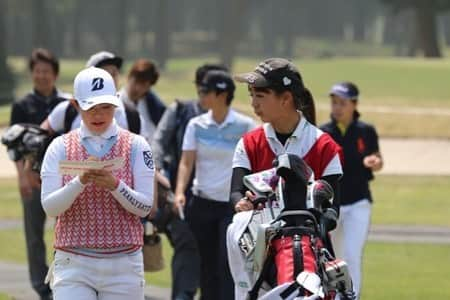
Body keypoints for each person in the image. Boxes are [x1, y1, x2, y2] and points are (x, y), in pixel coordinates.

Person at [228, 58, 343, 299]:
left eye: (261, 96)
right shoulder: (249, 143)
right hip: (256, 257)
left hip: (310, 252)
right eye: (252, 95)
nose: (253, 103)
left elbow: (333, 210)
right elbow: (236, 192)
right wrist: (241, 204)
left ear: (285, 99)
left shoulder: (324, 146)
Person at [40, 67, 155, 300]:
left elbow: (144, 206)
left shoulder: (137, 145)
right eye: (90, 107)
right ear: (75, 105)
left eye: (106, 107)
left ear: (116, 104)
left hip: (124, 264)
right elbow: (50, 207)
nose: (99, 114)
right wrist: (80, 181)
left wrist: (115, 186)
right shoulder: (59, 147)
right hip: (73, 262)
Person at [174, 70, 255, 300]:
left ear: (222, 94)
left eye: (205, 91)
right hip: (202, 203)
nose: (200, 95)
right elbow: (186, 162)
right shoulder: (196, 125)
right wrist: (180, 191)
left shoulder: (245, 125)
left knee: (226, 261)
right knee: (206, 264)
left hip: (232, 205)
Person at [151, 63, 229, 300]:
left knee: (217, 262)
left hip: (218, 203)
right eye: (205, 86)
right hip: (182, 200)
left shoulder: (230, 121)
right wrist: (158, 175)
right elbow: (158, 143)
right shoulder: (180, 110)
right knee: (188, 251)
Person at [9, 48, 68, 300]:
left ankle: (63, 282)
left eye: (46, 71)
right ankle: (42, 288)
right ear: (32, 74)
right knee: (34, 235)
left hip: (62, 180)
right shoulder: (22, 106)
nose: (41, 76)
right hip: (33, 179)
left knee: (64, 233)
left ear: (54, 74)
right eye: (37, 71)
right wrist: (23, 176)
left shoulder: (65, 105)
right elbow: (16, 146)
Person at [320, 82, 383, 299]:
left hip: (358, 202)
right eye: (334, 102)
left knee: (352, 255)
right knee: (333, 257)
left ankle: (351, 296)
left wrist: (374, 161)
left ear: (354, 104)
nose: (337, 107)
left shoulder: (366, 131)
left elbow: (377, 159)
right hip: (331, 206)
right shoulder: (323, 132)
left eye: (342, 103)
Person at [41, 51, 146, 137]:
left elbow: (146, 154)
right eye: (103, 73)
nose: (110, 78)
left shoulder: (132, 115)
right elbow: (40, 134)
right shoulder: (68, 109)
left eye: (114, 73)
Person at [118, 58, 166, 141]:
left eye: (144, 85)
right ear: (129, 77)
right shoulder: (116, 103)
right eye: (136, 82)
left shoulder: (154, 106)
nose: (138, 88)